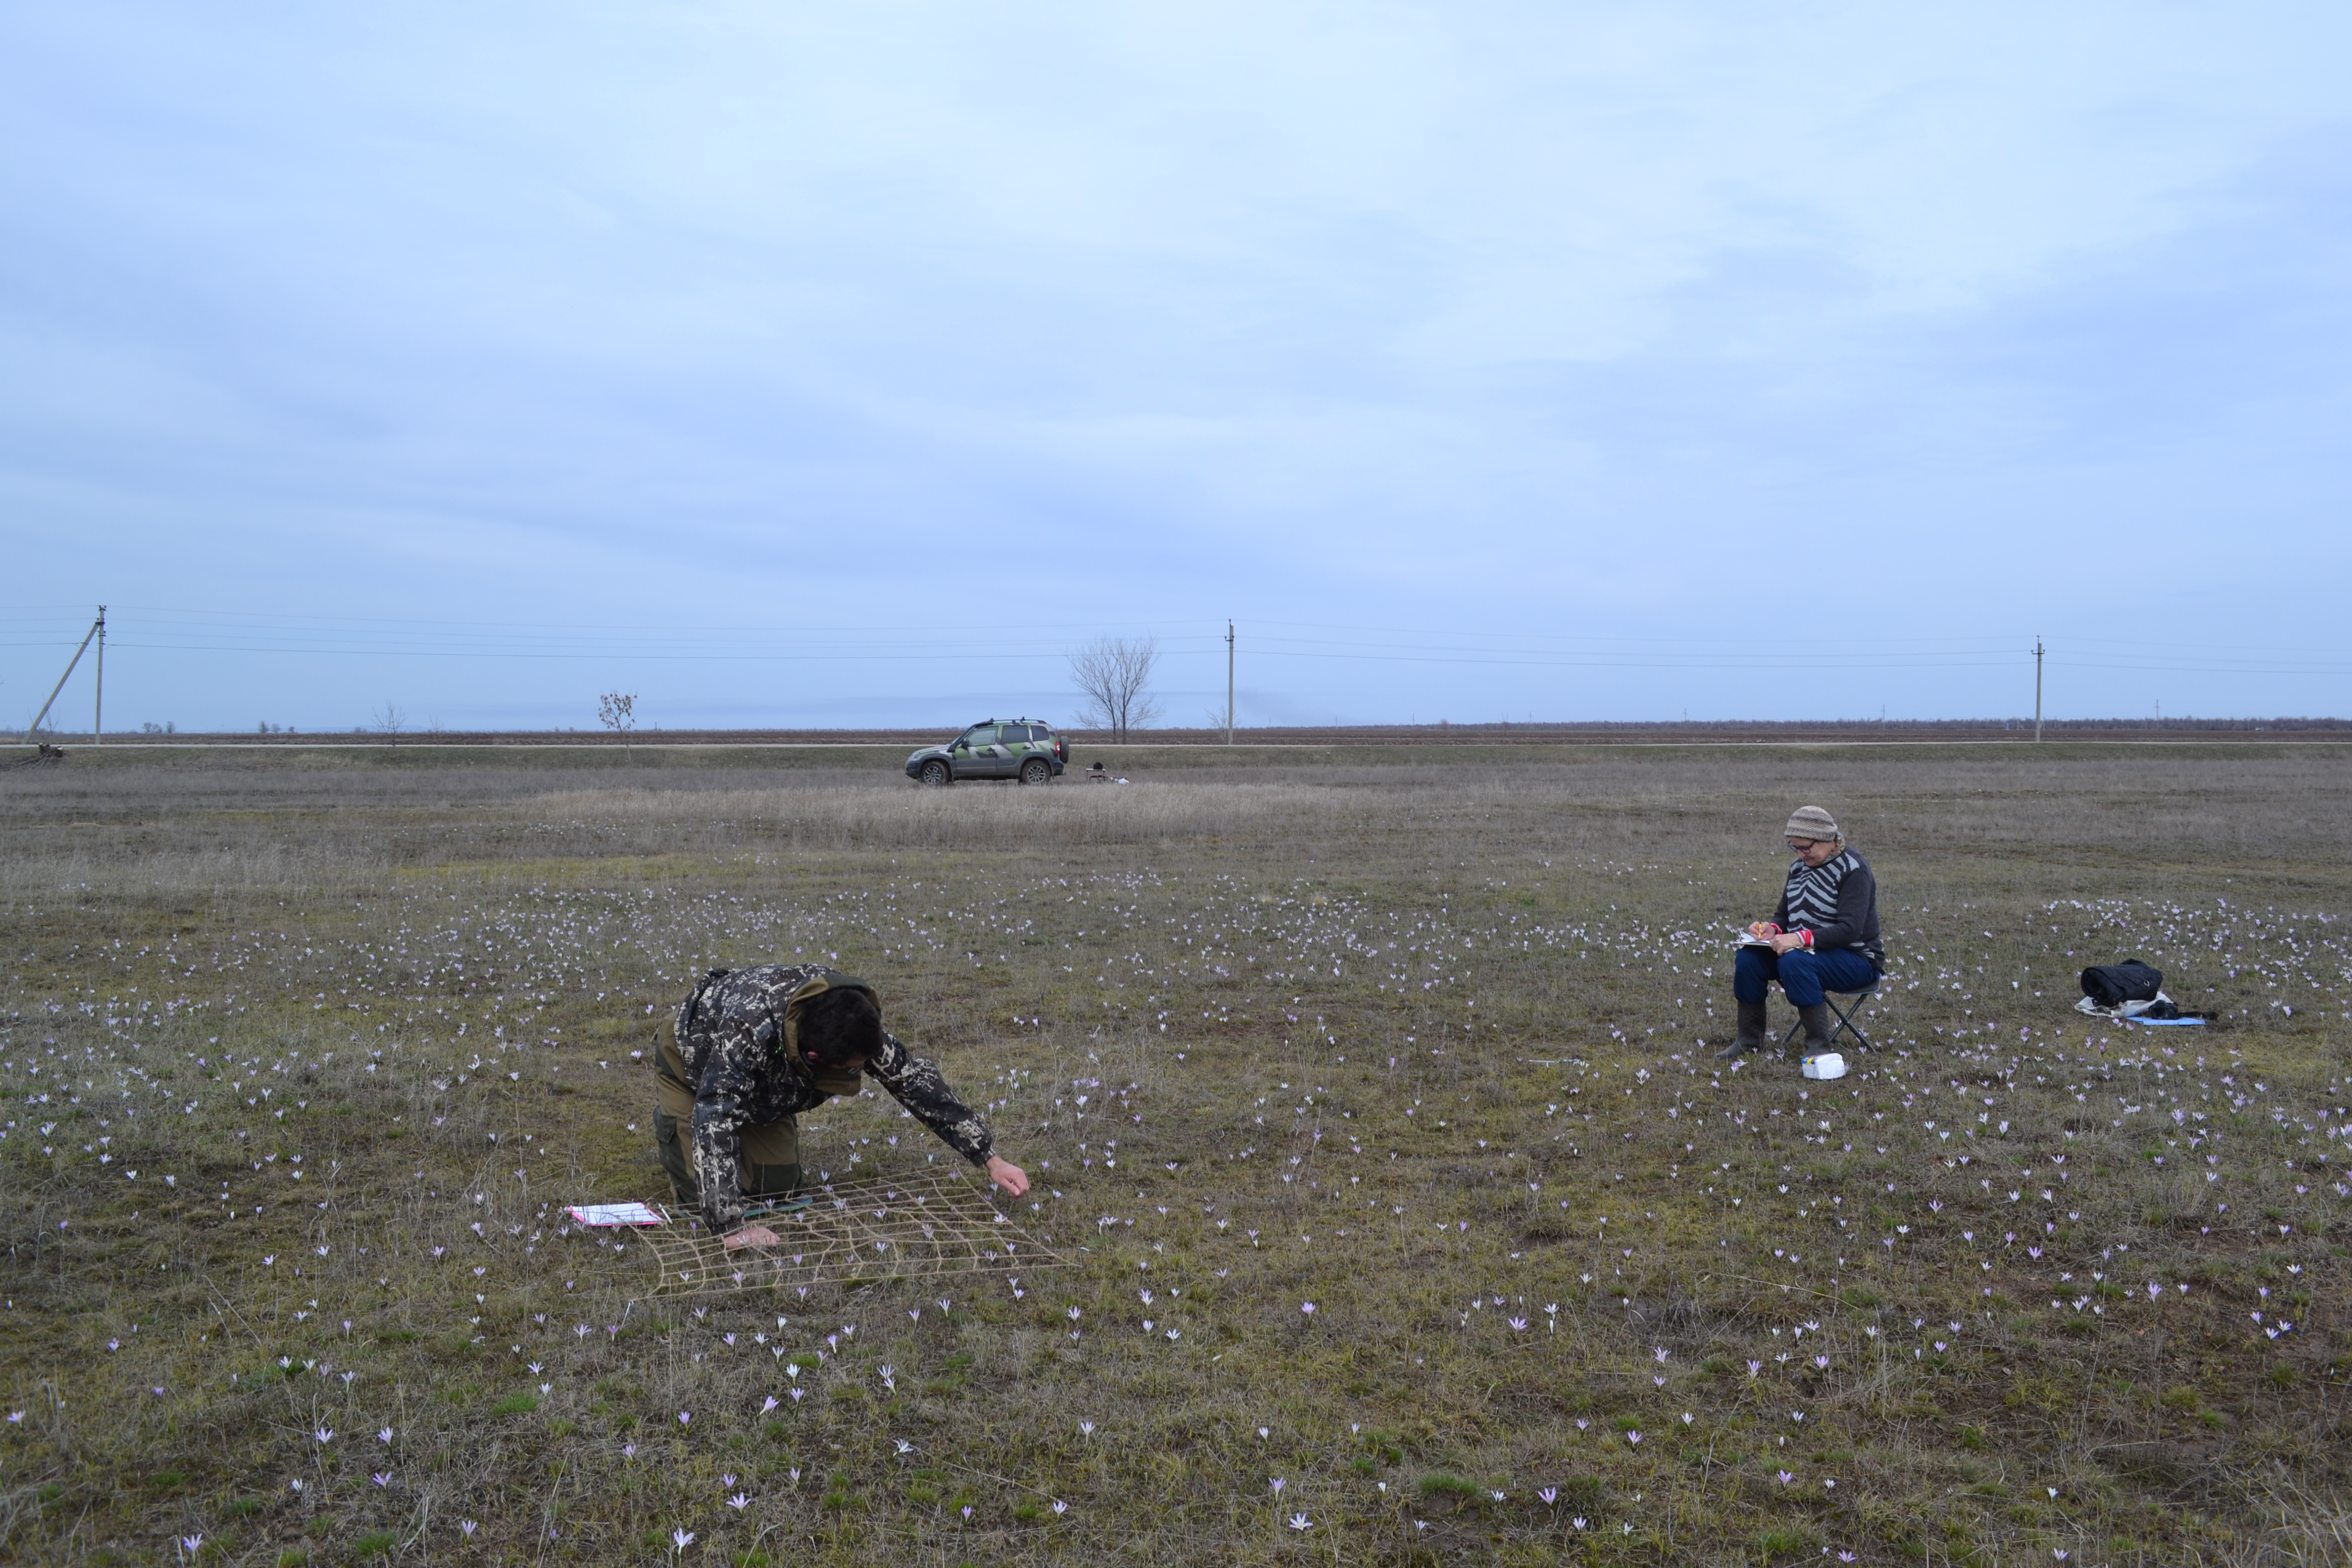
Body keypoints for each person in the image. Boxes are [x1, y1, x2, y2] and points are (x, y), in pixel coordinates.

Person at [651, 964, 1029, 1250]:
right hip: (693, 1063)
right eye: (851, 1069)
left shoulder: (853, 1021)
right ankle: (674, 1123)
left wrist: (990, 1157)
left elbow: (915, 1083)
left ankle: (757, 1118)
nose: (861, 1071)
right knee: (698, 1197)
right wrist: (730, 1226)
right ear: (815, 1056)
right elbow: (716, 1112)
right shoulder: (747, 1030)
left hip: (765, 1080)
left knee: (776, 1189)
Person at [1720, 806, 1884, 1065]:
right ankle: (1749, 1041)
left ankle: (1819, 1045)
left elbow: (1850, 930)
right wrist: (1773, 929)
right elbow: (1784, 914)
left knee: (1794, 960)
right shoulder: (1799, 866)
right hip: (1807, 953)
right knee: (1749, 958)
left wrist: (1798, 939)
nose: (1800, 854)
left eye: (1805, 848)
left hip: (1856, 960)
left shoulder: (1854, 870)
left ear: (1828, 840)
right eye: (1794, 847)